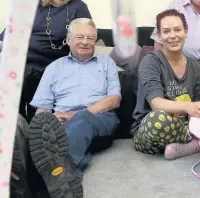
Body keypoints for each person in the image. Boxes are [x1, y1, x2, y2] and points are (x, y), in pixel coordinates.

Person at [10, 18, 121, 197]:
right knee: (38, 130)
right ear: (68, 40)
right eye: (80, 37)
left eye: (90, 38)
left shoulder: (106, 63)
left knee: (81, 119)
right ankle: (63, 181)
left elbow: (114, 100)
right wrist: (52, 119)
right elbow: (42, 110)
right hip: (62, 123)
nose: (85, 41)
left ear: (95, 42)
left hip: (100, 118)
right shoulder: (54, 67)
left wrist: (75, 114)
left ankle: (49, 181)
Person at [0, 0, 92, 122]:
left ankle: (33, 125)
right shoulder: (34, 4)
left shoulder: (78, 6)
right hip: (23, 57)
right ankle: (8, 124)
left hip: (53, 62)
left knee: (32, 77)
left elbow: (86, 32)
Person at [131, 9, 200, 160]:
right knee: (159, 119)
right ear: (159, 35)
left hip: (185, 127)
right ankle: (197, 143)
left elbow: (196, 104)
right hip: (152, 129)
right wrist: (188, 107)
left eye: (177, 30)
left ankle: (188, 142)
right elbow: (156, 103)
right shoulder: (150, 62)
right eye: (166, 31)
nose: (173, 36)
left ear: (186, 31)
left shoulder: (193, 65)